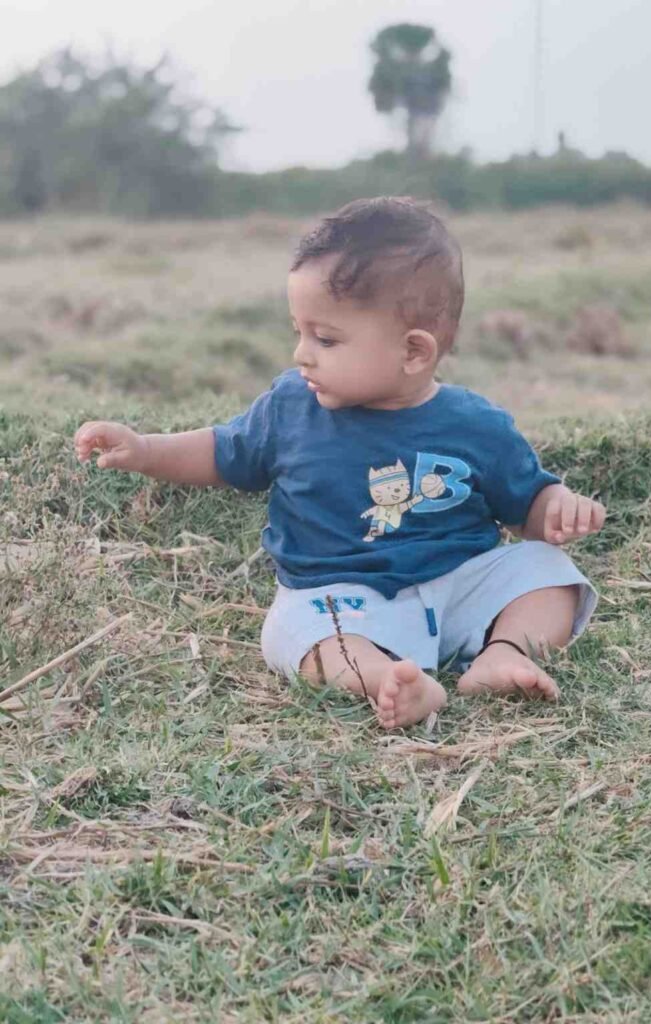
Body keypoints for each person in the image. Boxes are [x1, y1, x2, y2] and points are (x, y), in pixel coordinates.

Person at [74, 197, 605, 729]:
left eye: (326, 338)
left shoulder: (478, 425)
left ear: (414, 352)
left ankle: (503, 653)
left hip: (460, 588)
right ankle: (387, 680)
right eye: (299, 331)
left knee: (549, 572)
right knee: (291, 630)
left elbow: (525, 507)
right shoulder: (290, 408)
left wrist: (555, 508)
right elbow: (221, 450)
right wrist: (144, 449)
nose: (303, 353)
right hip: (341, 601)